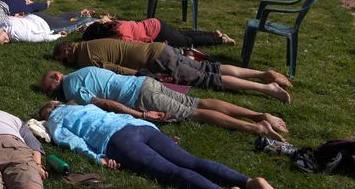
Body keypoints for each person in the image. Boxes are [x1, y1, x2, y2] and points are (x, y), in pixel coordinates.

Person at [38, 101, 288, 189]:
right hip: (140, 126)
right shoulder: (84, 105)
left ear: (47, 113)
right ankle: (250, 182)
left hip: (118, 140)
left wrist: (98, 157)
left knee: (170, 172)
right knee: (191, 160)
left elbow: (73, 142)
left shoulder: (55, 121)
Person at [40, 67, 289, 140]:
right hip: (145, 83)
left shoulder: (71, 88)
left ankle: (256, 129)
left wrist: (140, 114)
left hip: (140, 98)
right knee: (199, 101)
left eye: (48, 88)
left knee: (196, 114)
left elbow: (105, 103)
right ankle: (259, 114)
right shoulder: (82, 71)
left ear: (56, 79)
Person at [52, 39, 292, 102]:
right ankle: (261, 73)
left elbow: (114, 68)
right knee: (209, 66)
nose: (68, 63)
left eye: (65, 59)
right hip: (159, 49)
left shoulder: (84, 58)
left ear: (68, 52)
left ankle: (266, 88)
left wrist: (141, 75)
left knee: (208, 80)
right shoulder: (89, 44)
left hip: (157, 61)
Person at [81, 17, 235, 48]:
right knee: (182, 35)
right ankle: (214, 34)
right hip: (154, 23)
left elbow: (138, 44)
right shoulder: (112, 24)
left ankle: (220, 40)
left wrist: (159, 44)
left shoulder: (118, 36)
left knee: (187, 42)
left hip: (156, 32)